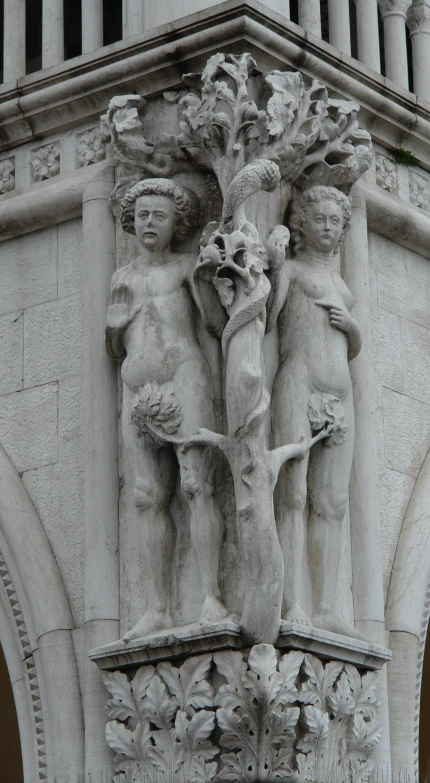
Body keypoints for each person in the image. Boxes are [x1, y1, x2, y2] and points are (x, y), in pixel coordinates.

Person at [106, 178, 227, 640]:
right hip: (137, 388)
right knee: (146, 495)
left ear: (177, 222)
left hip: (184, 378)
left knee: (196, 486)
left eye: (159, 215)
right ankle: (157, 606)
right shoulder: (123, 277)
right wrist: (114, 329)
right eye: (142, 216)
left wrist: (207, 279)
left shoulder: (183, 267)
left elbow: (214, 324)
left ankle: (211, 595)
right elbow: (114, 345)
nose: (149, 223)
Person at [268, 185, 363, 637]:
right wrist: (269, 262)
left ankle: (327, 605)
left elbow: (352, 345)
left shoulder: (343, 285)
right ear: (302, 224)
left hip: (339, 395)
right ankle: (293, 601)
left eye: (335, 222)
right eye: (319, 220)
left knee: (333, 501)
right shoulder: (292, 271)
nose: (327, 228)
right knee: (294, 494)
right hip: (298, 384)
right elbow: (265, 318)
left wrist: (353, 328)